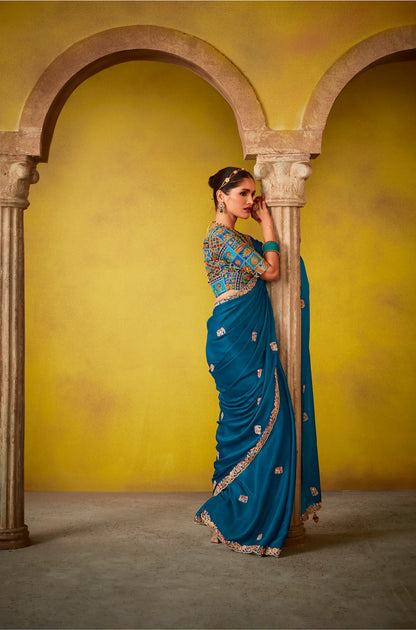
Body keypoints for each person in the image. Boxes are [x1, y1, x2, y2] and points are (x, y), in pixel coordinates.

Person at [194, 167, 321, 557]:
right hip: (234, 340)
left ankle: (233, 516)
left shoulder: (236, 239)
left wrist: (264, 230)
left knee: (258, 423)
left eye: (254, 194)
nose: (251, 201)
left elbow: (269, 262)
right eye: (244, 194)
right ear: (222, 196)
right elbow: (271, 270)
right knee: (250, 423)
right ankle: (232, 516)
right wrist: (268, 223)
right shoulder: (220, 238)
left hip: (243, 339)